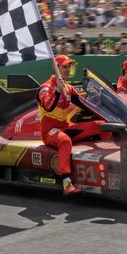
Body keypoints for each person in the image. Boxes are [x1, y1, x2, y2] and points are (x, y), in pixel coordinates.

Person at [37, 54, 84, 195]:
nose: (68, 70)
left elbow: (84, 104)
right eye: (64, 67)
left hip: (65, 127)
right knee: (64, 141)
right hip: (49, 131)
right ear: (55, 67)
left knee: (99, 125)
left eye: (69, 67)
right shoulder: (45, 88)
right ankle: (67, 183)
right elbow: (47, 107)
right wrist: (57, 91)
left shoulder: (69, 88)